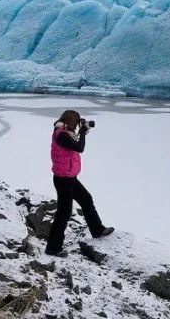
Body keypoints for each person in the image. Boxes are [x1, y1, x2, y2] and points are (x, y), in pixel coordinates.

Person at [45, 109, 114, 256]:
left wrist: (83, 132)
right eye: (76, 122)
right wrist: (83, 133)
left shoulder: (63, 133)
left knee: (86, 200)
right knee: (64, 213)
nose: (77, 125)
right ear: (70, 121)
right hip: (63, 180)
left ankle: (97, 230)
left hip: (69, 177)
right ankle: (53, 248)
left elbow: (73, 144)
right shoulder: (61, 135)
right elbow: (79, 148)